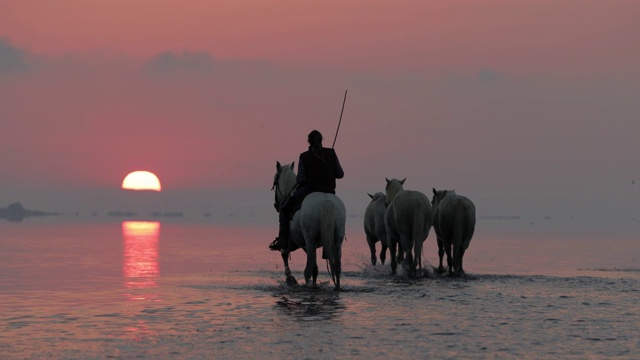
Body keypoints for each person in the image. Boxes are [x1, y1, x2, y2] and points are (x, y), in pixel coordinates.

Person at [269, 130, 344, 252]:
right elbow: (340, 174)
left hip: (308, 191)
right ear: (321, 140)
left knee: (284, 208)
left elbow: (299, 179)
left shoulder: (304, 156)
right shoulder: (331, 153)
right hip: (330, 192)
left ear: (309, 142)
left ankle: (282, 241)